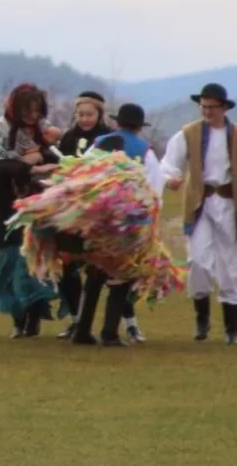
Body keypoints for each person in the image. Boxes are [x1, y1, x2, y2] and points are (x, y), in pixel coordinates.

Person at [159, 83, 237, 345]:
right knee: (198, 260)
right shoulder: (189, 133)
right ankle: (202, 317)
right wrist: (170, 179)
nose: (207, 111)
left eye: (212, 107)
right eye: (203, 107)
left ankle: (233, 328)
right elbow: (169, 163)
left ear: (224, 107)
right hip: (200, 203)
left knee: (229, 266)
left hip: (231, 205)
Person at [78, 103, 162, 346]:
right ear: (139, 127)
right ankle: (110, 333)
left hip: (96, 219)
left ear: (117, 123)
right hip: (127, 222)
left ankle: (82, 330)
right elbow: (154, 191)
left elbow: (80, 173)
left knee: (94, 275)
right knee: (119, 277)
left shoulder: (98, 143)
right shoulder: (145, 151)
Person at [0, 83, 60, 339]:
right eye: (27, 109)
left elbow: (56, 159)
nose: (32, 115)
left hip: (36, 204)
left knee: (31, 262)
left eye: (37, 110)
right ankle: (18, 320)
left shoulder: (41, 132)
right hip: (4, 206)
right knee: (9, 263)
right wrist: (29, 165)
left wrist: (42, 157)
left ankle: (34, 318)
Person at [53, 90, 111, 339]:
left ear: (99, 114)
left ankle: (115, 323)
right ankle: (76, 319)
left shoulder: (108, 138)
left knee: (99, 269)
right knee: (67, 265)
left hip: (98, 211)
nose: (85, 119)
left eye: (90, 114)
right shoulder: (68, 138)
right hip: (70, 210)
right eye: (81, 114)